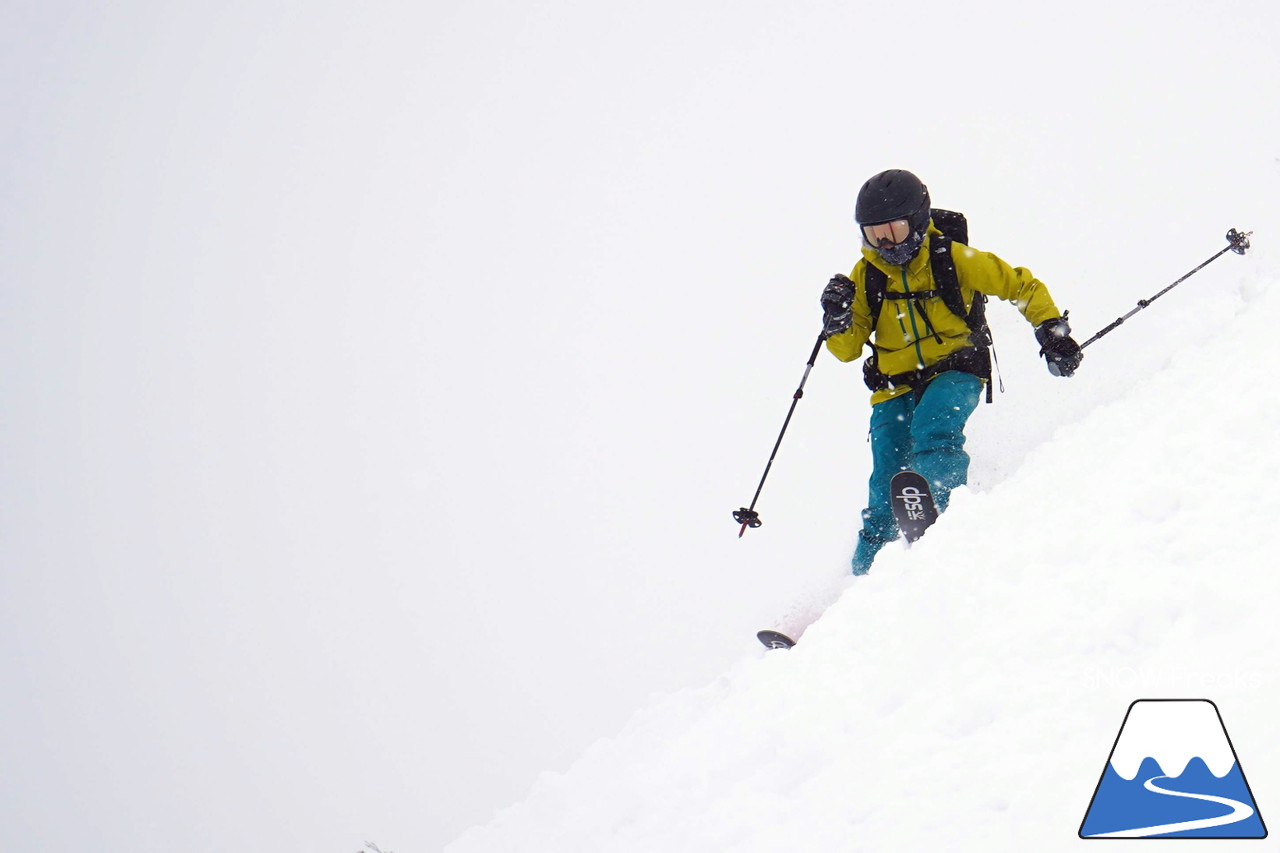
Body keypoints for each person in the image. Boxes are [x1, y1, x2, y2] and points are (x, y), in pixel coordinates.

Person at [821, 169, 1083, 575]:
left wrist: (1051, 331)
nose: (886, 242)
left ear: (918, 221)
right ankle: (860, 582)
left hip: (956, 368)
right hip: (893, 387)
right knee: (884, 480)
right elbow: (848, 350)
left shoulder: (952, 258)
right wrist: (837, 322)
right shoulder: (866, 274)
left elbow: (1021, 286)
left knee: (934, 428)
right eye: (875, 235)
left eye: (894, 229)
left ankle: (938, 512)